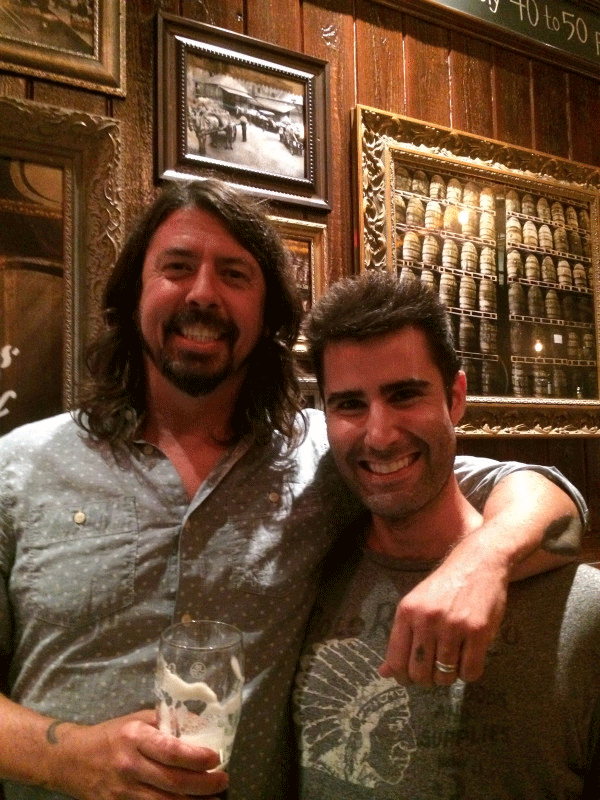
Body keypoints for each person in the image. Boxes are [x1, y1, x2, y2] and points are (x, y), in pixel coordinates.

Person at [0, 180, 585, 800]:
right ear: (132, 293)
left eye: (234, 274)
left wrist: (482, 559)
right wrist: (70, 757)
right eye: (177, 267)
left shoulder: (325, 455)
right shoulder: (20, 466)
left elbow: (541, 495)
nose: (203, 293)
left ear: (267, 315)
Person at [294, 272, 600, 798]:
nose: (379, 435)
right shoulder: (303, 583)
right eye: (349, 404)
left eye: (404, 395)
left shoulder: (585, 611)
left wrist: (484, 560)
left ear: (455, 397)